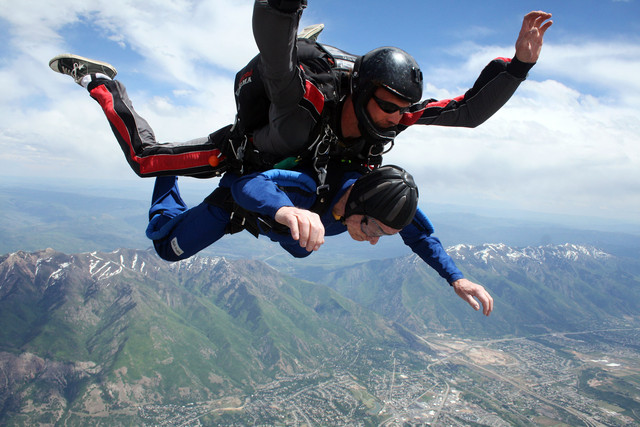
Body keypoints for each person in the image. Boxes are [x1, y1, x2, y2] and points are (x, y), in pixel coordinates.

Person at [49, 1, 552, 184]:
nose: (399, 119)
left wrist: (520, 66)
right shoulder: (305, 101)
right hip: (251, 145)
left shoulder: (393, 113)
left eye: (403, 111)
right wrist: (284, 7)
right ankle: (100, 81)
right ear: (360, 92)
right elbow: (270, 51)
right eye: (389, 107)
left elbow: (464, 112)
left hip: (304, 158)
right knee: (144, 161)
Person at [145, 164, 494, 316]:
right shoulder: (309, 188)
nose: (373, 240)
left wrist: (456, 278)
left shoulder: (384, 209)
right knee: (166, 247)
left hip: (282, 229)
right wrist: (284, 209)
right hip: (234, 209)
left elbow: (422, 239)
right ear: (359, 203)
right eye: (373, 230)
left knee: (301, 246)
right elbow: (246, 183)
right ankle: (167, 165)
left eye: (384, 236)